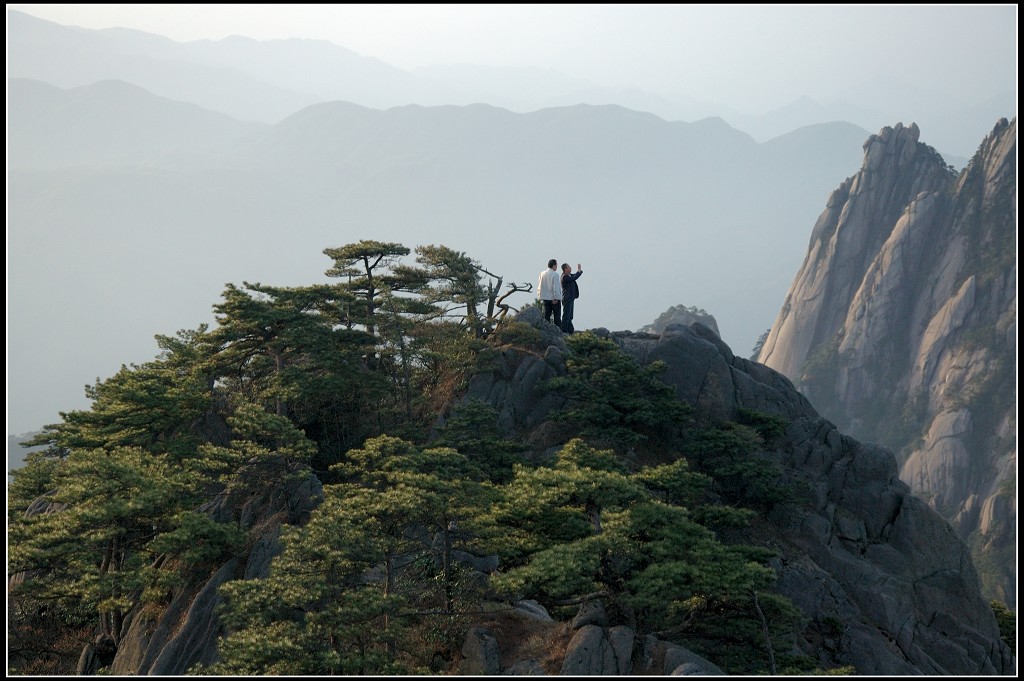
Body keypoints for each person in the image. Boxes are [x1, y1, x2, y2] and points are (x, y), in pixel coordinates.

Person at [537, 258, 562, 327]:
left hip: (545, 297)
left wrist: (540, 295)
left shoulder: (542, 273)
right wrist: (557, 298)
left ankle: (546, 330)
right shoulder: (555, 274)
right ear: (554, 265)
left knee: (546, 316)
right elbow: (556, 287)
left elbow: (539, 285)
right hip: (553, 299)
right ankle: (558, 332)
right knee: (557, 317)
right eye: (556, 265)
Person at [560, 263, 583, 333]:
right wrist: (579, 271)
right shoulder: (564, 277)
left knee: (570, 316)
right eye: (569, 267)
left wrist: (579, 271)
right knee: (566, 316)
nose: (570, 268)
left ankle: (570, 330)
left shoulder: (569, 275)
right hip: (567, 298)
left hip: (571, 298)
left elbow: (574, 276)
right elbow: (574, 277)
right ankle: (564, 330)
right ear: (565, 269)